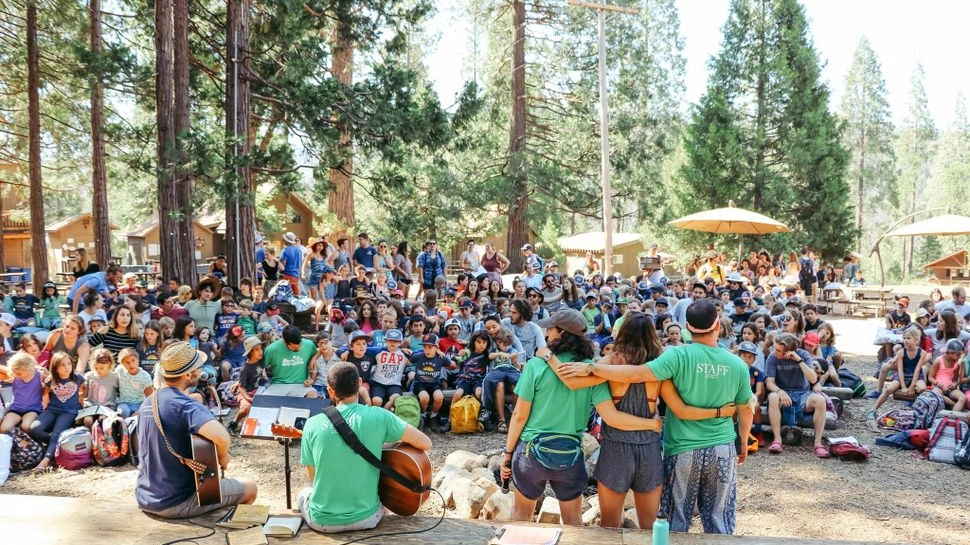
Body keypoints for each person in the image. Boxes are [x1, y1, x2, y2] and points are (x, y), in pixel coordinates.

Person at [559, 299, 754, 535]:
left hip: (633, 449)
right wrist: (736, 435)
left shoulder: (615, 367)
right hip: (666, 449)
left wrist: (587, 367)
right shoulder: (674, 367)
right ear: (717, 325)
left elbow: (614, 409)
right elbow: (734, 409)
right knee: (670, 526)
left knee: (620, 526)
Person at [498, 309, 670, 526]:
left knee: (522, 518)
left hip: (532, 453)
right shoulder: (597, 369)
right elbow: (611, 415)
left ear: (561, 333)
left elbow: (519, 415)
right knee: (575, 523)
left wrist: (508, 452)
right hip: (575, 455)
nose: (547, 333)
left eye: (550, 329)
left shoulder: (539, 365)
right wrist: (653, 423)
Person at [298, 361, 431, 533]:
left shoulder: (312, 424)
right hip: (368, 519)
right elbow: (426, 443)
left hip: (323, 522)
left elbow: (314, 479)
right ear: (360, 384)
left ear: (330, 390)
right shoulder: (380, 416)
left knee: (302, 491)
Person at [135, 341, 258, 518]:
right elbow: (222, 436)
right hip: (178, 501)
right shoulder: (185, 405)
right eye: (199, 367)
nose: (202, 370)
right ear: (189, 374)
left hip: (146, 497)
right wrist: (223, 457)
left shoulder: (149, 401)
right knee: (250, 487)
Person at [764, 333, 829, 458]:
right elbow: (769, 383)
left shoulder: (804, 355)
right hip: (782, 393)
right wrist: (780, 392)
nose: (774, 351)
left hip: (802, 394)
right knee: (772, 397)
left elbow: (812, 379)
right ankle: (777, 440)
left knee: (820, 400)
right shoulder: (772, 358)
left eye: (778, 350)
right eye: (774, 348)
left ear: (788, 352)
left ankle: (818, 444)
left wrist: (798, 360)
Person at [262, 325, 318, 398]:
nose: (298, 349)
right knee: (264, 400)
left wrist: (312, 378)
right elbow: (261, 367)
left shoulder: (309, 345)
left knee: (313, 395)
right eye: (294, 348)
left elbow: (319, 353)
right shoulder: (271, 350)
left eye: (300, 345)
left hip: (301, 384)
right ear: (285, 342)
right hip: (278, 384)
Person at [279, 231, 305, 296]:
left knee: (285, 296)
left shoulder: (285, 250)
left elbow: (282, 266)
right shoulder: (299, 250)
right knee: (296, 296)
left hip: (286, 275)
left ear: (285, 240)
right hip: (296, 275)